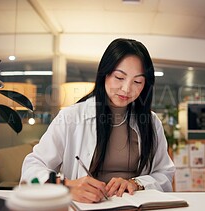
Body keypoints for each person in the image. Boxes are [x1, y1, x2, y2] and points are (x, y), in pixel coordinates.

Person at [21, 38, 175, 203]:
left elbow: (164, 174)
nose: (126, 89)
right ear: (105, 74)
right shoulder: (71, 117)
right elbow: (32, 167)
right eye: (119, 77)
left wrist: (137, 183)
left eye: (137, 81)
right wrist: (66, 187)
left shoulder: (151, 122)